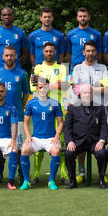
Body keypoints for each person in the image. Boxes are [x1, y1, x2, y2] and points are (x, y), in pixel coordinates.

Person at [70, 40, 108, 181]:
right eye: (88, 50)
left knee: (100, 139)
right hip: (81, 107)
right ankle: (81, 172)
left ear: (96, 52)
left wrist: (87, 89)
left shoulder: (103, 68)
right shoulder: (77, 69)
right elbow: (76, 89)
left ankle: (102, 173)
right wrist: (92, 89)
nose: (90, 53)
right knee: (81, 137)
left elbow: (107, 89)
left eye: (93, 51)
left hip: (99, 108)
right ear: (83, 52)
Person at [29, 42, 69, 184]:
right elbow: (34, 88)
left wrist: (48, 84)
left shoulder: (62, 68)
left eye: (51, 51)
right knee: (38, 142)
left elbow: (66, 86)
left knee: (60, 142)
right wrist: (55, 83)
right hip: (41, 110)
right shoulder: (38, 68)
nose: (49, 53)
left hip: (58, 109)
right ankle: (36, 174)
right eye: (46, 51)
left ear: (55, 52)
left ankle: (64, 174)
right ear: (43, 52)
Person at [0, 46, 30, 184]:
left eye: (11, 55)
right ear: (2, 56)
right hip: (0, 117)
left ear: (16, 56)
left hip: (17, 116)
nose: (9, 58)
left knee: (18, 147)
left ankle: (19, 174)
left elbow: (26, 93)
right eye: (6, 55)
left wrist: (20, 106)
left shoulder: (22, 73)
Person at [21, 79, 64, 190]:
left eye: (45, 87)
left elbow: (60, 123)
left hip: (51, 138)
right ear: (37, 88)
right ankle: (26, 181)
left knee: (56, 150)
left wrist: (57, 136)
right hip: (36, 138)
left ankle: (51, 181)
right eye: (40, 87)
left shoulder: (55, 103)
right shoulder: (31, 103)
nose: (42, 89)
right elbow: (25, 122)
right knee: (24, 150)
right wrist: (28, 136)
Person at [63, 84, 108, 189]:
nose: (87, 95)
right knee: (68, 153)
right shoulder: (72, 107)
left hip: (95, 142)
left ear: (93, 94)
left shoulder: (100, 107)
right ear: (80, 94)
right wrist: (69, 141)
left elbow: (104, 126)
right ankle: (72, 180)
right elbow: (67, 127)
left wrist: (102, 140)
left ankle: (101, 179)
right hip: (78, 141)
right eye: (85, 92)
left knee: (102, 153)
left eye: (90, 92)